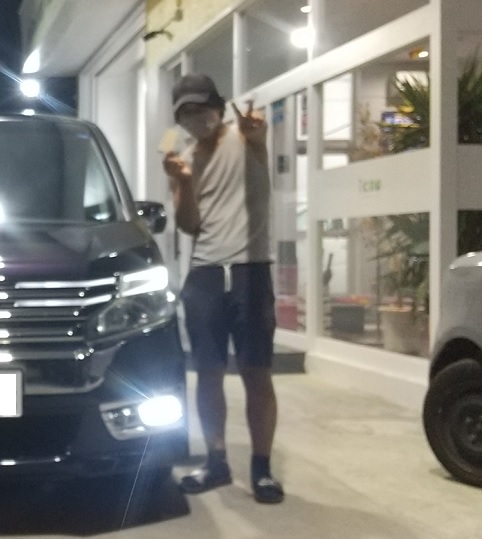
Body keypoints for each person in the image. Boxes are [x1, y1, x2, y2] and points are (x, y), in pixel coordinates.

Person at [162, 74, 284, 504]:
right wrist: (182, 182)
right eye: (186, 113)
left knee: (256, 372)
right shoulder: (183, 158)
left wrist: (256, 132)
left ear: (218, 106)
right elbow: (188, 225)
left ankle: (262, 469)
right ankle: (216, 462)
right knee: (208, 373)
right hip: (205, 275)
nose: (196, 119)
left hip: (251, 271)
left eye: (202, 109)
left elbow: (258, 135)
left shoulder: (245, 137)